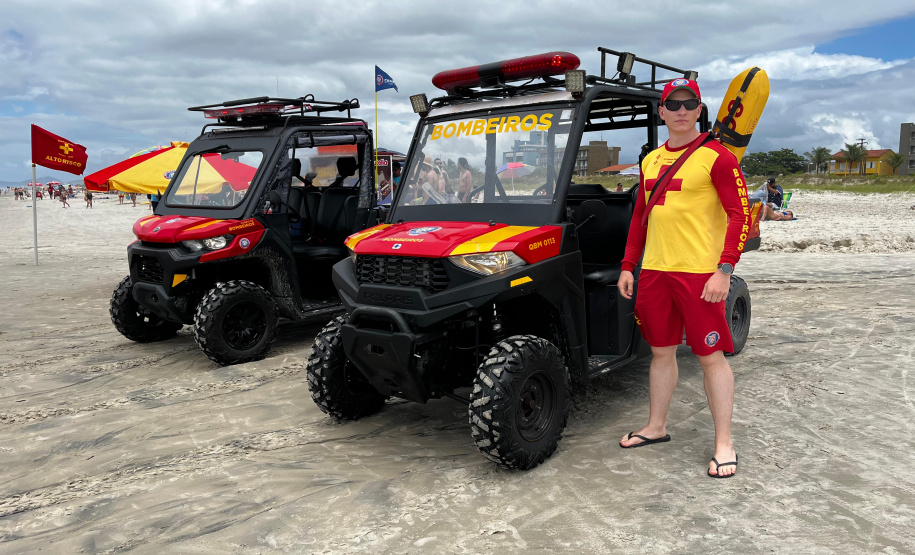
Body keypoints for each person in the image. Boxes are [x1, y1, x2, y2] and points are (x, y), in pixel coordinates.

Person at [617, 78, 748, 478]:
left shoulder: (718, 157)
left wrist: (724, 270)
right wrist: (628, 265)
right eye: (672, 104)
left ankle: (724, 443)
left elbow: (739, 215)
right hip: (655, 272)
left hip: (700, 275)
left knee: (710, 357)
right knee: (661, 352)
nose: (680, 110)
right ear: (661, 111)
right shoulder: (651, 161)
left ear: (699, 109)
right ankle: (656, 427)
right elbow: (641, 217)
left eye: (688, 103)